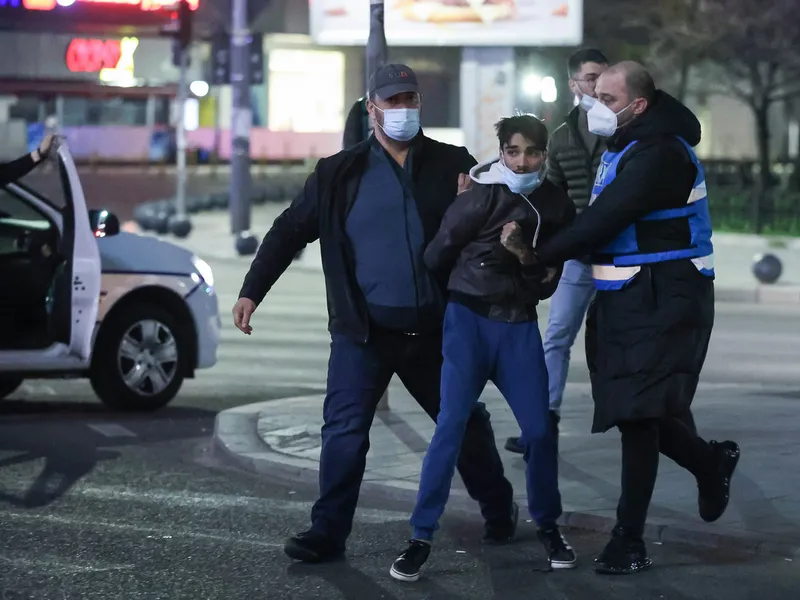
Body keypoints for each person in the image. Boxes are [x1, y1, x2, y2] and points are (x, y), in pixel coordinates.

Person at [232, 64, 516, 564]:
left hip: (434, 329)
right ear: (372, 108)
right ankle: (327, 532)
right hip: (363, 332)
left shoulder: (455, 165)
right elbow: (287, 231)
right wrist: (252, 291)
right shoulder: (338, 173)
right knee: (343, 431)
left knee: (464, 423)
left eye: (410, 98)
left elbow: (493, 225)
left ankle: (498, 506)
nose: (402, 108)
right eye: (392, 100)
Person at [527, 61, 740, 574]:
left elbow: (605, 218)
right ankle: (708, 463)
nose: (593, 104)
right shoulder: (626, 144)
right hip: (630, 294)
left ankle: (629, 540)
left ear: (637, 106)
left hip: (667, 296)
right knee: (638, 409)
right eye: (592, 93)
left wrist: (539, 254)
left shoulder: (661, 153)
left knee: (639, 415)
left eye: (606, 97)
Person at [389, 115, 577, 583]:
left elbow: (546, 285)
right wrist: (477, 264)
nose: (523, 161)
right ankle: (420, 536)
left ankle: (549, 527)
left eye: (533, 152)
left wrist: (523, 255)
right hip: (467, 323)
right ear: (500, 152)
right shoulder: (481, 193)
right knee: (450, 424)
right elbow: (436, 255)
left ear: (545, 155)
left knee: (538, 430)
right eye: (513, 151)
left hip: (517, 327)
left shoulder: (554, 204)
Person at [505, 48, 609, 455]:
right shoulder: (562, 136)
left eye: (603, 77)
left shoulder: (622, 130)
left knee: (615, 341)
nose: (597, 86)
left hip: (621, 257)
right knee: (556, 337)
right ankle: (543, 420)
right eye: (590, 79)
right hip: (579, 259)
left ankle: (636, 419)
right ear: (574, 85)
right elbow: (554, 198)